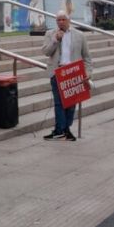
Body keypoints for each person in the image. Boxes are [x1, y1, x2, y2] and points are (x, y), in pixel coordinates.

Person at [41, 11, 92, 141]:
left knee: (71, 104)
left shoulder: (79, 35)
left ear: (69, 20)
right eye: (58, 20)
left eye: (63, 19)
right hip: (57, 72)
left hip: (74, 73)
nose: (61, 22)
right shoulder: (50, 34)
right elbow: (46, 52)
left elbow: (86, 57)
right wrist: (55, 40)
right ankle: (61, 131)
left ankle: (64, 130)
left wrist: (87, 73)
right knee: (59, 103)